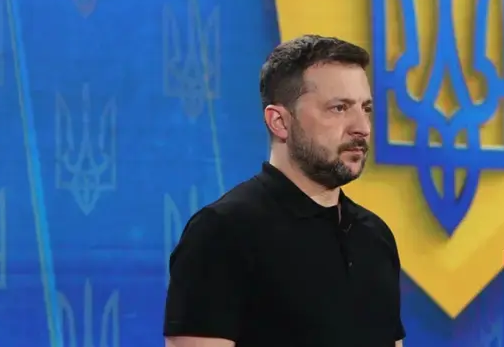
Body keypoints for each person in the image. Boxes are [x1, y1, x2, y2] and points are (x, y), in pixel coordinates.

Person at [163, 35, 405, 347]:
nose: (362, 127)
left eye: (366, 108)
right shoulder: (222, 232)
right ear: (279, 122)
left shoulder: (375, 237)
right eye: (339, 108)